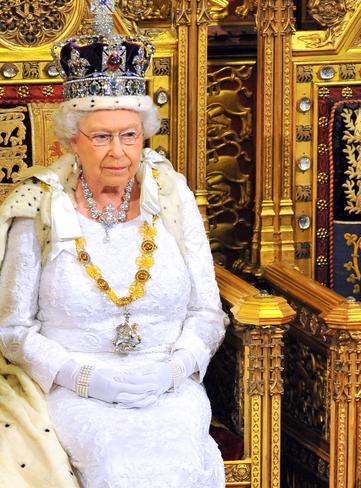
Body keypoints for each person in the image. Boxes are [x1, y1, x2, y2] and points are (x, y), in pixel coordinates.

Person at [0, 6, 226, 487]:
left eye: (130, 136)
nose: (118, 152)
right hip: (75, 391)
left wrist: (176, 368)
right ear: (69, 142)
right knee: (116, 464)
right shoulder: (38, 206)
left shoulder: (172, 196)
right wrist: (83, 378)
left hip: (169, 389)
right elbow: (12, 329)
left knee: (177, 460)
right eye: (101, 137)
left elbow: (207, 312)